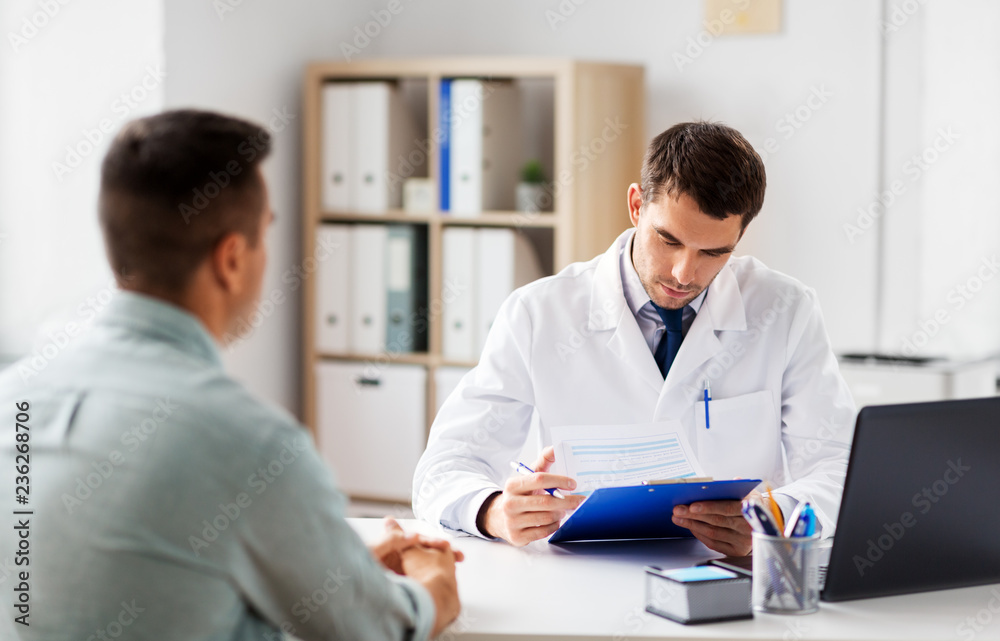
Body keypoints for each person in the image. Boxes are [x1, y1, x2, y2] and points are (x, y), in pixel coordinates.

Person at [0, 110, 460, 640]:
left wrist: (334, 563)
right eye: (264, 235)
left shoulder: (16, 396)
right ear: (232, 258)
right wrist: (435, 588)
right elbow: (374, 631)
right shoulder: (250, 444)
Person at [413, 121, 856, 556]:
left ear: (740, 237)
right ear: (636, 205)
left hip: (726, 578)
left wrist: (772, 520)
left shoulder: (786, 311)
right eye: (668, 240)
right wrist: (491, 511)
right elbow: (445, 466)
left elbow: (839, 466)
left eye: (713, 252)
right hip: (579, 581)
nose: (685, 273)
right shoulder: (538, 313)